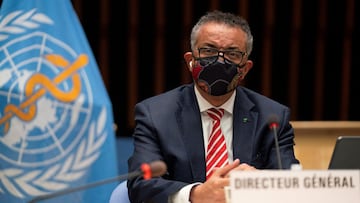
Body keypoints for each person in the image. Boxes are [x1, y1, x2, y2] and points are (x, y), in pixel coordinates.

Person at [127, 10, 300, 203]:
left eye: (232, 54)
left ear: (245, 69)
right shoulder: (155, 114)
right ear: (190, 61)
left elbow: (290, 184)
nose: (219, 61)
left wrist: (257, 183)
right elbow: (140, 184)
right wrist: (195, 194)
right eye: (208, 51)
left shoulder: (272, 117)